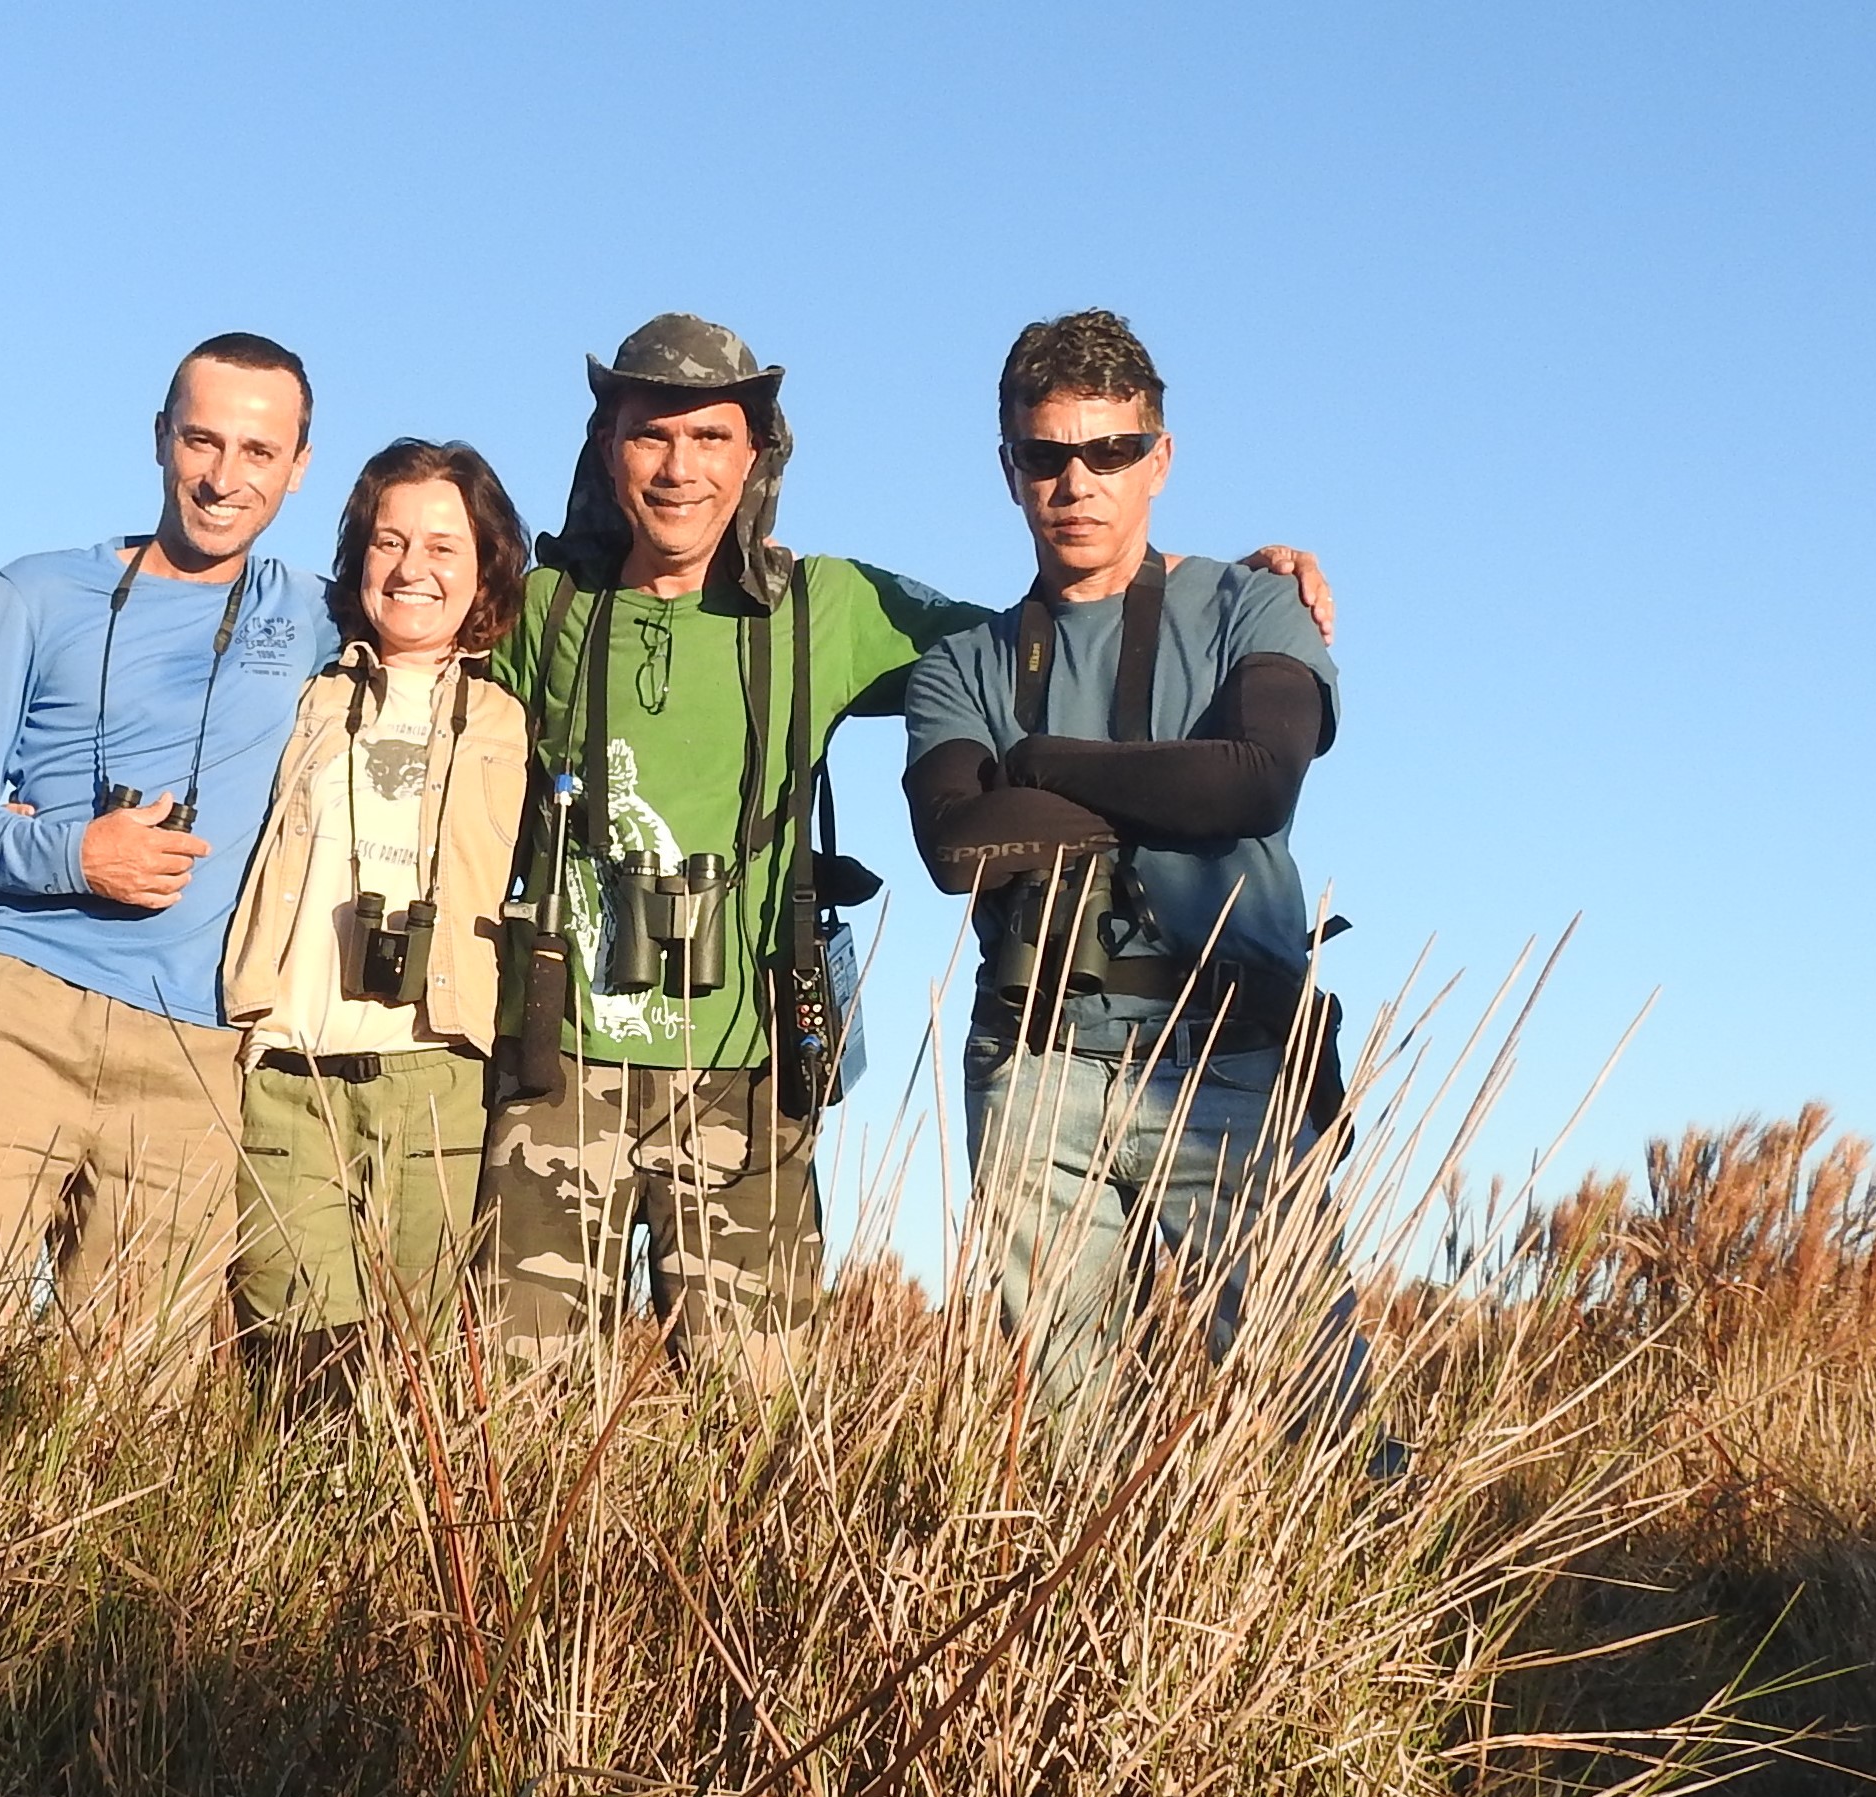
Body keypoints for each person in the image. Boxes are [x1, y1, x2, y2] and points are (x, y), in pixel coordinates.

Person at [477, 312, 1335, 1389]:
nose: (680, 466)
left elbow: (1112, 664)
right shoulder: (535, 607)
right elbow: (964, 829)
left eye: (711, 438)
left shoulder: (827, 607)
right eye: (652, 434)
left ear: (758, 455)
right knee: (517, 1409)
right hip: (565, 1060)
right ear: (609, 446)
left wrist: (1240, 598)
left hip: (750, 1072)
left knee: (757, 1423)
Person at [902, 309, 1349, 1412]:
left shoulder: (1253, 605)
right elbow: (960, 846)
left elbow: (1254, 779)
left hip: (1229, 1059)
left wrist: (1040, 759)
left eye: (1110, 451)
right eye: (1048, 455)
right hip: (1036, 1064)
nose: (1078, 483)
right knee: (1054, 1422)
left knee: (1313, 1411)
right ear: (1009, 467)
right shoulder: (964, 658)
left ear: (1161, 456)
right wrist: (1169, 781)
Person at [0, 333, 335, 1392]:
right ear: (161, 437)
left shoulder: (317, 614)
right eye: (203, 440)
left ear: (300, 465)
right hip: (12, 1011)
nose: (225, 478)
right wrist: (74, 850)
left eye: (260, 452)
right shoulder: (38, 592)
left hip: (196, 1054)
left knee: (135, 1402)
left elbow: (470, 599)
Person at [220, 441, 531, 1399]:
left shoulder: (512, 715)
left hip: (436, 1068)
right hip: (287, 1061)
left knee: (415, 1366)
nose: (412, 568)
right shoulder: (302, 692)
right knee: (297, 1360)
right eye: (389, 541)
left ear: (485, 566)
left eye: (444, 545)